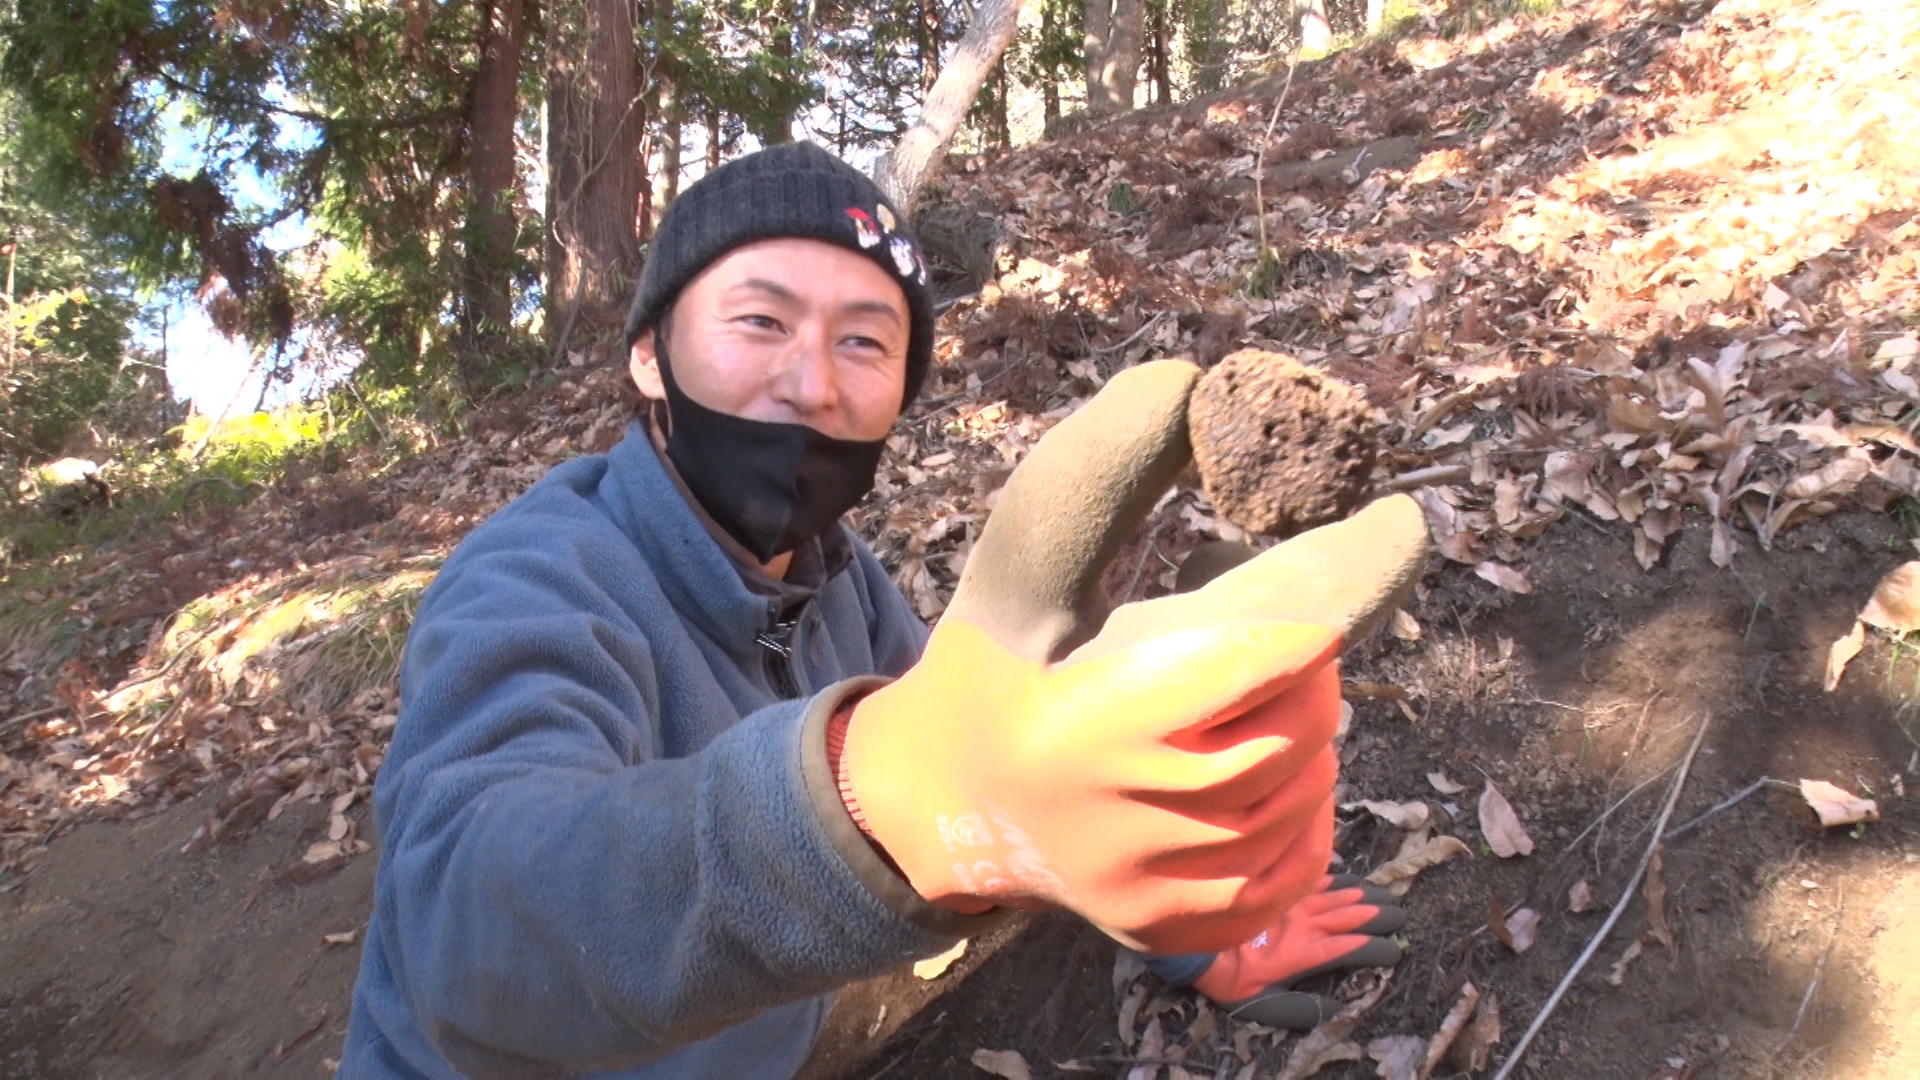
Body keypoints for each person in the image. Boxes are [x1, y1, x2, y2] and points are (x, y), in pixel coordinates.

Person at [340, 142, 1401, 1078]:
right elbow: (465, 922)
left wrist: (1192, 937)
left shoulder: (838, 581)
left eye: (864, 342)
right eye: (760, 320)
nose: (810, 383)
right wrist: (873, 799)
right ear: (647, 353)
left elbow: (1009, 770)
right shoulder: (535, 580)